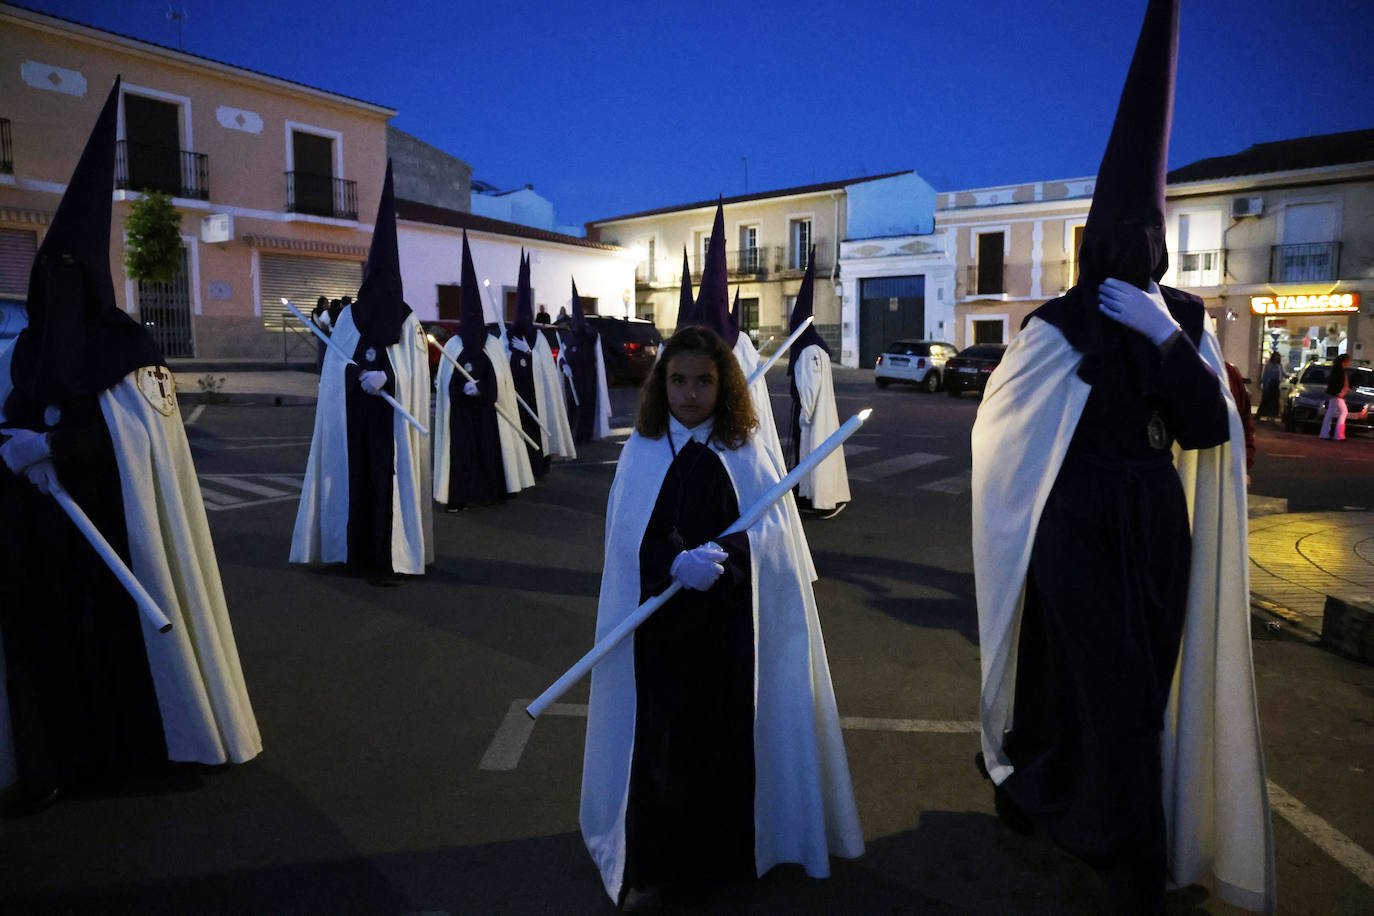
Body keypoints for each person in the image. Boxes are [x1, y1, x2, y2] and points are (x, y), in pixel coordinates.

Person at [970, 3, 1274, 913]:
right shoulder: (1054, 327)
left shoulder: (1178, 319)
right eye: (1122, 240)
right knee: (1108, 686)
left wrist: (1173, 345)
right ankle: (1128, 849)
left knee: (1139, 677)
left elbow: (1208, 432)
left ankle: (1049, 797)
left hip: (1153, 518)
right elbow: (1003, 433)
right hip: (1072, 524)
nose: (1138, 255)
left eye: (1151, 239)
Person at [0, 78, 260, 816]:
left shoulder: (133, 350)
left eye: (70, 275)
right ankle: (52, 759)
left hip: (115, 531)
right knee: (44, 648)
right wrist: (17, 446)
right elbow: (12, 417)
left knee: (116, 649)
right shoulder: (24, 354)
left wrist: (62, 450)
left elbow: (144, 447)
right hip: (39, 540)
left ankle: (141, 747)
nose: (59, 288)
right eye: (50, 275)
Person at [580, 325, 863, 906]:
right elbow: (626, 538)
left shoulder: (745, 449)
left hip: (731, 631)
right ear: (663, 384)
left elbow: (775, 538)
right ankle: (661, 862)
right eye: (678, 380)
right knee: (662, 744)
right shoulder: (642, 450)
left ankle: (727, 856)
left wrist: (730, 557)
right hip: (658, 632)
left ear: (723, 385)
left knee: (723, 742)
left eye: (704, 381)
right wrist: (670, 562)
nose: (689, 394)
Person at [291, 161, 433, 584]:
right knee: (355, 480)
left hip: (390, 419)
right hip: (355, 419)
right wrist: (356, 379)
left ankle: (388, 559)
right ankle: (354, 553)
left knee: (386, 484)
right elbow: (335, 367)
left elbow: (416, 371)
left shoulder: (408, 321)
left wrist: (390, 378)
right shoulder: (349, 317)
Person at [433, 233, 534, 508]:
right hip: (462, 415)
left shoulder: (493, 345)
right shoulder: (453, 345)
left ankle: (492, 491)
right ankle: (460, 498)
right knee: (462, 455)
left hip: (488, 413)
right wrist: (461, 388)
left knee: (490, 450)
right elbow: (442, 384)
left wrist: (485, 388)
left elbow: (501, 381)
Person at [787, 247, 850, 517]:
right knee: (816, 460)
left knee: (814, 457)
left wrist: (805, 415)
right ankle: (810, 495)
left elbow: (809, 388)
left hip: (814, 417)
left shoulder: (808, 351)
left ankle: (822, 501)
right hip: (819, 415)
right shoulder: (816, 347)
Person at [559, 280, 611, 444]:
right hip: (572, 380)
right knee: (572, 409)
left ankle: (584, 436)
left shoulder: (590, 337)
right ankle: (572, 437)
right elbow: (561, 356)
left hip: (587, 380)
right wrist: (563, 366)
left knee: (587, 409)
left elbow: (594, 340)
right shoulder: (568, 339)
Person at [1319, 353, 1367, 441]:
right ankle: (1338, 435)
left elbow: (1340, 383)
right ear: (1344, 361)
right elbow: (1337, 383)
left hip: (1337, 395)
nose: (1348, 363)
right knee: (1343, 412)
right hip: (1338, 395)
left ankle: (1325, 433)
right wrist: (1339, 392)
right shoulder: (1339, 371)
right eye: (1348, 361)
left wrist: (1348, 388)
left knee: (1331, 413)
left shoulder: (1338, 370)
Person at [1256, 350, 1283, 418]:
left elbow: (1283, 373)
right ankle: (1261, 414)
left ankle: (1272, 414)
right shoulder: (1268, 365)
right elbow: (1265, 375)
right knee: (1266, 399)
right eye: (1276, 356)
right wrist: (1263, 383)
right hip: (1269, 384)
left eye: (1278, 357)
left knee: (1274, 400)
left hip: (1276, 384)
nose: (1277, 358)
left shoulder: (1279, 365)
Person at [311, 295, 332, 373]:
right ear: (321, 304)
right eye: (326, 303)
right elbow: (321, 325)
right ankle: (321, 371)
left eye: (328, 303)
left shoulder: (328, 312)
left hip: (328, 335)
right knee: (322, 354)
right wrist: (330, 327)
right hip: (321, 335)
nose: (328, 305)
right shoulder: (316, 312)